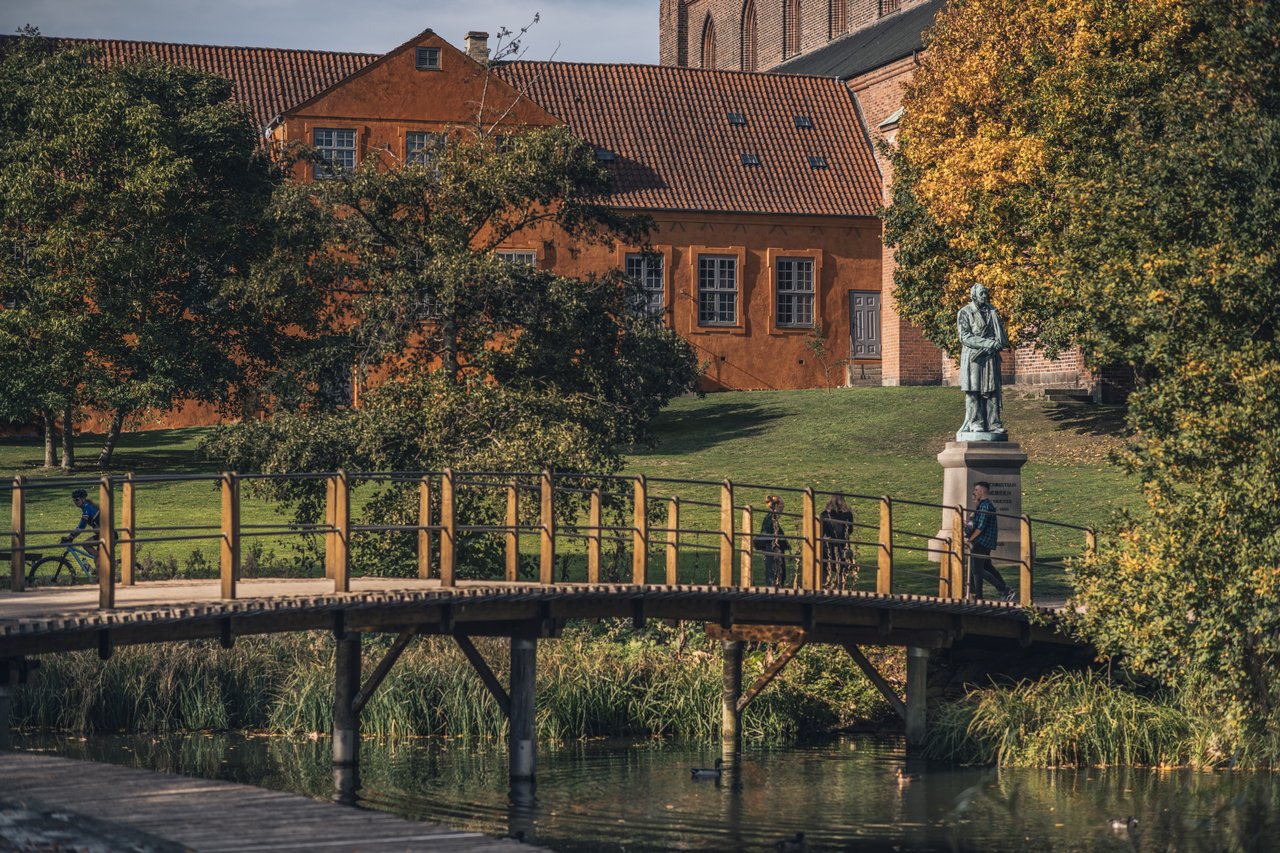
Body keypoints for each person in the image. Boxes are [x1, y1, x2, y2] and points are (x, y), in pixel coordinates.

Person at [957, 283, 1009, 436]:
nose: (985, 296)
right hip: (973, 358)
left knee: (992, 390)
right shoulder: (965, 312)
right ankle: (975, 422)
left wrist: (994, 344)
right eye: (982, 293)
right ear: (974, 296)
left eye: (986, 293)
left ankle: (994, 423)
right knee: (974, 391)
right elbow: (964, 336)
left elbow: (1000, 336)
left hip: (990, 356)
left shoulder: (992, 311)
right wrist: (987, 343)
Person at [965, 482, 1014, 602]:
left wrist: (969, 539)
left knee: (977, 570)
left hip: (982, 541)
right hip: (985, 541)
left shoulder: (985, 506)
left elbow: (980, 527)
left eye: (976, 490)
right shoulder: (982, 505)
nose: (974, 492)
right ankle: (978, 595)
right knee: (986, 567)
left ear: (982, 491)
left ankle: (1003, 589)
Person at [819, 493, 857, 589]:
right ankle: (840, 588)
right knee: (841, 569)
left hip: (828, 543)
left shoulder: (824, 514)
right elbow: (850, 530)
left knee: (826, 567)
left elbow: (821, 531)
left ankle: (824, 586)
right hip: (843, 544)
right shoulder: (848, 515)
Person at [756, 494, 790, 587]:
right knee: (774, 574)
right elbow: (765, 534)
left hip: (772, 549)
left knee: (776, 574)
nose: (783, 508)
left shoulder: (771, 518)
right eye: (782, 505)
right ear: (777, 506)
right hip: (772, 550)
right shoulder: (771, 519)